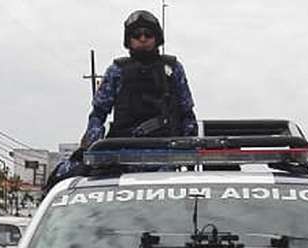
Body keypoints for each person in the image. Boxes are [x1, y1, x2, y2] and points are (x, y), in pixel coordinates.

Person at [45, 10, 198, 190]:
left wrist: (188, 153)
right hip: (122, 158)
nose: (142, 38)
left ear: (157, 38)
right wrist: (91, 149)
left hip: (165, 159)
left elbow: (187, 112)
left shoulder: (173, 69)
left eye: (148, 34)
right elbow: (98, 114)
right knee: (63, 178)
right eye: (136, 34)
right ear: (128, 39)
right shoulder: (117, 71)